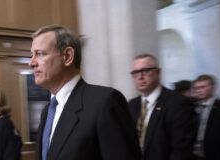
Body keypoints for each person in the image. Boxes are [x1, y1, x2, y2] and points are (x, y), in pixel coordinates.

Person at [29, 24, 141, 160]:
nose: (32, 62)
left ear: (67, 56)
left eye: (40, 54)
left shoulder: (104, 102)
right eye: (32, 55)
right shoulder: (47, 111)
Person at [128, 54, 197, 160]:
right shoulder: (132, 105)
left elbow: (181, 151)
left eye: (145, 71)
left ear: (158, 72)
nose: (140, 77)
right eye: (135, 73)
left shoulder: (178, 103)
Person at [192, 74, 220, 160]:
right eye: (196, 88)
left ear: (212, 87)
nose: (199, 90)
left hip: (216, 154)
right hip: (193, 155)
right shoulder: (191, 107)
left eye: (203, 87)